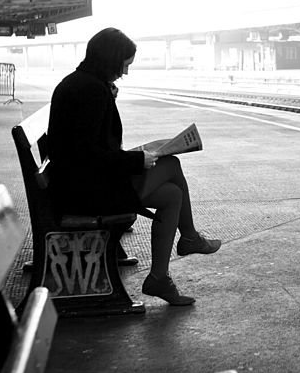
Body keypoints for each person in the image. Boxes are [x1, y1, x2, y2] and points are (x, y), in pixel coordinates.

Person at [46, 27, 220, 306]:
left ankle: (160, 277)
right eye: (124, 65)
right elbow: (87, 154)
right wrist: (137, 160)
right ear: (110, 59)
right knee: (172, 163)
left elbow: (89, 145)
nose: (124, 72)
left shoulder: (82, 84)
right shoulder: (91, 91)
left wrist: (134, 154)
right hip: (86, 192)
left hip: (79, 182)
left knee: (172, 195)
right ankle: (189, 238)